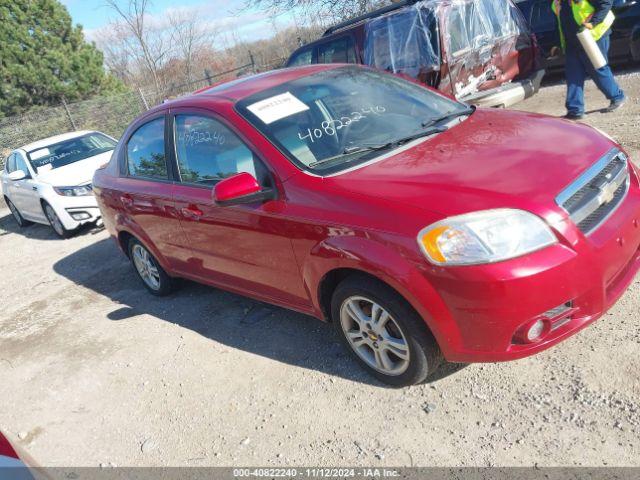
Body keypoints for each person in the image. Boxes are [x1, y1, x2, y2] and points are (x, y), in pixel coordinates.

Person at [551, 0, 626, 120]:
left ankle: (617, 97)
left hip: (594, 36)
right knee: (573, 74)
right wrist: (557, 43)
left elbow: (606, 3)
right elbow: (560, 23)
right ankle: (575, 110)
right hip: (573, 41)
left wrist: (593, 22)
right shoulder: (556, 2)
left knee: (597, 69)